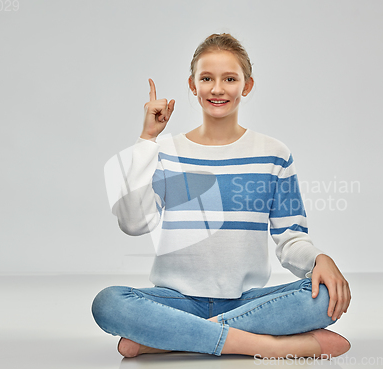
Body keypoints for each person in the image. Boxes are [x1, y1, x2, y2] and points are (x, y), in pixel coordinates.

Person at [92, 33, 351, 359]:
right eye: (207, 78)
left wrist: (319, 259)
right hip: (177, 301)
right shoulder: (165, 153)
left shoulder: (274, 154)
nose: (217, 88)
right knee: (109, 303)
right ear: (192, 84)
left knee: (327, 295)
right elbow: (133, 223)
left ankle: (167, 337)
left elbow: (290, 239)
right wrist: (147, 140)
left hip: (248, 301)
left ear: (247, 85)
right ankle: (266, 346)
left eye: (229, 78)